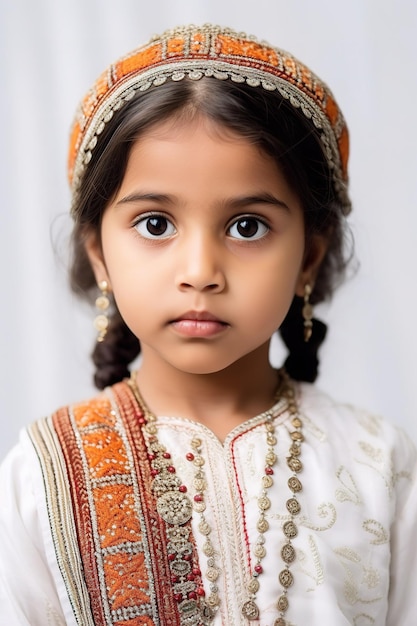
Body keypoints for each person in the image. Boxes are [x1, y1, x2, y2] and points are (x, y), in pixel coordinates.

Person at [0, 23, 415, 626]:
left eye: (247, 226)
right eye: (155, 224)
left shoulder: (379, 463)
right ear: (98, 255)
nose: (200, 272)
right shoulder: (42, 473)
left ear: (309, 257)